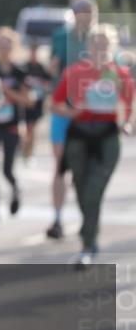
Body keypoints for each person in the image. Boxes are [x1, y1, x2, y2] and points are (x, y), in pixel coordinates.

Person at [51, 24, 133, 269]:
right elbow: (55, 105)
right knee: (81, 188)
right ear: (88, 46)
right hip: (80, 136)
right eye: (96, 44)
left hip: (107, 138)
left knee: (93, 191)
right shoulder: (75, 72)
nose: (100, 49)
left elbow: (129, 106)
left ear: (113, 46)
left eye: (105, 44)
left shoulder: (120, 74)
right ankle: (89, 232)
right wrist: (73, 111)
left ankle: (88, 244)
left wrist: (126, 122)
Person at [46, 0, 99, 240]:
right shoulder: (60, 37)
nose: (87, 16)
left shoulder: (100, 39)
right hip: (64, 109)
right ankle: (57, 219)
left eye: (90, 11)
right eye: (82, 11)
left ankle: (87, 218)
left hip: (90, 113)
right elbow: (53, 68)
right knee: (60, 165)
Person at [0, 27, 30, 227]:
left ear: (13, 48)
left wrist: (7, 92)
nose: (4, 50)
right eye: (0, 46)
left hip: (12, 125)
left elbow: (27, 100)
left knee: (7, 169)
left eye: (7, 46)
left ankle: (15, 189)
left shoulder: (20, 72)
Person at [22, 39, 52, 162]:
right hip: (26, 103)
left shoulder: (42, 68)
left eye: (35, 51)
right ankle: (25, 150)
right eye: (32, 51)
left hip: (38, 103)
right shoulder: (24, 67)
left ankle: (29, 152)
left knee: (32, 128)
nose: (33, 53)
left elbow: (49, 84)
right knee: (26, 128)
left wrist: (41, 84)